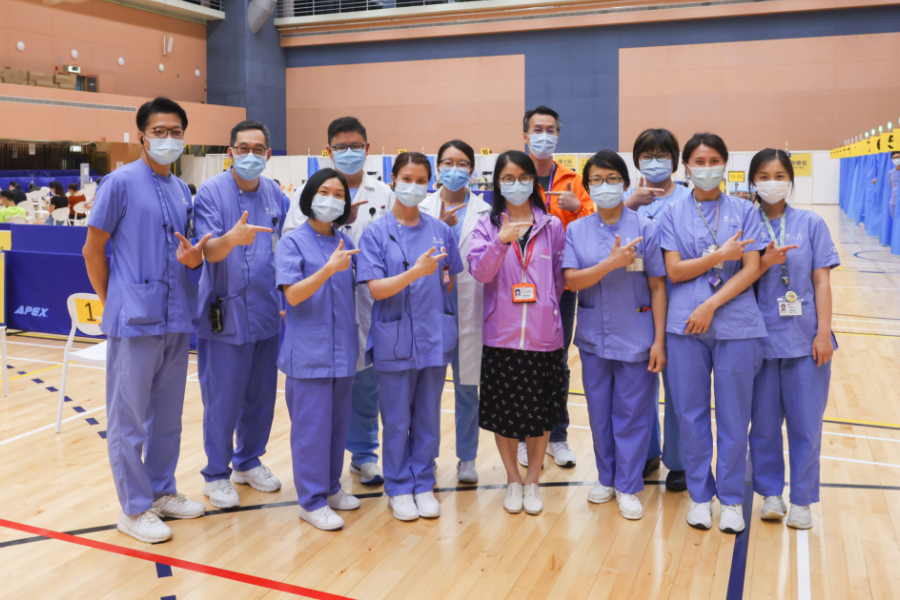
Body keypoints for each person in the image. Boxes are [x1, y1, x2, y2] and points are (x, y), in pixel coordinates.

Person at [82, 97, 210, 544]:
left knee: (168, 417)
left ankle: (161, 491)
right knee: (128, 418)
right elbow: (92, 250)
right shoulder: (118, 183)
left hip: (176, 318)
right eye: (160, 131)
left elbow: (187, 250)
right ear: (142, 136)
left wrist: (194, 261)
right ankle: (134, 509)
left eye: (176, 132)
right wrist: (113, 300)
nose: (168, 139)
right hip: (134, 319)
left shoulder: (180, 189)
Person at [658, 132, 767, 534]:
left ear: (725, 164)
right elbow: (674, 271)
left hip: (736, 324)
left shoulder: (745, 210)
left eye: (714, 161)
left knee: (735, 417)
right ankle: (701, 497)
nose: (707, 169)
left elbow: (752, 268)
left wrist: (710, 304)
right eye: (699, 162)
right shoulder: (672, 213)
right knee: (690, 413)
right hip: (685, 326)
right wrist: (720, 257)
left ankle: (733, 500)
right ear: (686, 166)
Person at [284, 117, 393, 487]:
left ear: (368, 147)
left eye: (356, 145)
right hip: (318, 308)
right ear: (328, 150)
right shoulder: (308, 193)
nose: (349, 152)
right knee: (318, 405)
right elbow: (292, 246)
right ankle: (319, 483)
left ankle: (363, 457)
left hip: (367, 303)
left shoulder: (384, 194)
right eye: (341, 146)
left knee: (364, 387)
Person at [357, 152, 463, 521]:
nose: (413, 187)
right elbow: (377, 289)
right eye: (407, 178)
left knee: (428, 417)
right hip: (394, 337)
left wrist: (440, 278)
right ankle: (399, 487)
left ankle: (422, 482)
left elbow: (450, 277)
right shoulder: (375, 232)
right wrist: (416, 272)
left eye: (421, 181)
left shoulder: (441, 230)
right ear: (392, 179)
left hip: (434, 334)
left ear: (430, 183)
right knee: (397, 418)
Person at [562, 150, 667, 520]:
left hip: (637, 336)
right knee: (599, 412)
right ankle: (606, 478)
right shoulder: (576, 230)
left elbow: (658, 286)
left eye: (611, 179)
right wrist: (610, 263)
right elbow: (572, 281)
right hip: (593, 337)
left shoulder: (645, 228)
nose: (604, 187)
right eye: (596, 180)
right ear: (587, 186)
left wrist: (658, 340)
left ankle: (628, 485)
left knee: (634, 413)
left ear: (625, 183)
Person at [467, 150, 567, 516]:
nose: (516, 184)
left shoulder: (552, 226)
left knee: (540, 415)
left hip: (543, 335)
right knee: (504, 414)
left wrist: (549, 312)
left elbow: (558, 279)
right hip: (502, 336)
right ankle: (512, 478)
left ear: (534, 181)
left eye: (523, 177)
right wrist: (501, 241)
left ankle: (534, 480)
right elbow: (480, 272)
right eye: (507, 178)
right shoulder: (486, 225)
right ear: (497, 184)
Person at [192, 120, 285, 509]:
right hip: (226, 313)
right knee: (223, 398)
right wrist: (231, 238)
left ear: (268, 153)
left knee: (261, 397)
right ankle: (216, 474)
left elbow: (284, 247)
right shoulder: (211, 193)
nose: (251, 155)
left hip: (267, 311)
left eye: (258, 149)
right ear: (230, 153)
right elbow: (207, 251)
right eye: (243, 148)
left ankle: (248, 461)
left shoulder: (276, 194)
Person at [747, 148, 839, 530]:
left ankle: (802, 500)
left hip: (805, 340)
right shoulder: (746, 222)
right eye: (764, 175)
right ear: (753, 180)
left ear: (791, 179)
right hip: (757, 340)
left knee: (805, 424)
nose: (772, 182)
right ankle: (771, 494)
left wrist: (822, 333)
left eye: (779, 174)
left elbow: (821, 280)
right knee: (764, 424)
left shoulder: (811, 223)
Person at [276, 168, 362, 530]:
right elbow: (292, 295)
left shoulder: (343, 241)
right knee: (311, 430)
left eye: (339, 194)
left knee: (337, 427)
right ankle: (310, 501)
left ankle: (329, 487)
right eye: (324, 191)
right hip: (308, 355)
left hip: (343, 352)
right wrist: (327, 270)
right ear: (310, 196)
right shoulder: (292, 243)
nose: (331, 199)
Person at [518, 105, 594, 470]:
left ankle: (558, 436)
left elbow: (593, 224)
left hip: (562, 288)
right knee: (521, 360)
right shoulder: (514, 172)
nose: (543, 134)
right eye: (537, 128)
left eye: (550, 129)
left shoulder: (571, 180)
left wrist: (577, 207)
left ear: (558, 136)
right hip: (519, 285)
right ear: (525, 134)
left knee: (557, 363)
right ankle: (522, 434)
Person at [624, 128, 691, 491]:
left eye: (662, 155)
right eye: (647, 155)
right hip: (633, 306)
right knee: (638, 385)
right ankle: (646, 451)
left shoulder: (689, 199)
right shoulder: (624, 200)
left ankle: (679, 461)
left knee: (679, 387)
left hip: (678, 303)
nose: (654, 161)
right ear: (636, 160)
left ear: (675, 161)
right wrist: (629, 204)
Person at [420, 140, 491, 484]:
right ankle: (426, 457)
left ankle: (467, 458)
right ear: (437, 168)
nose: (454, 169)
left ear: (472, 170)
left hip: (470, 309)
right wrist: (435, 225)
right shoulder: (421, 208)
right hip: (431, 311)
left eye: (462, 163)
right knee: (428, 391)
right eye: (447, 162)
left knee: (467, 389)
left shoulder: (485, 212)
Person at [889, 150, 900, 219]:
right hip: (893, 202)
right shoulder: (890, 173)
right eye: (894, 158)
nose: (896, 159)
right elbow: (891, 185)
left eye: (898, 157)